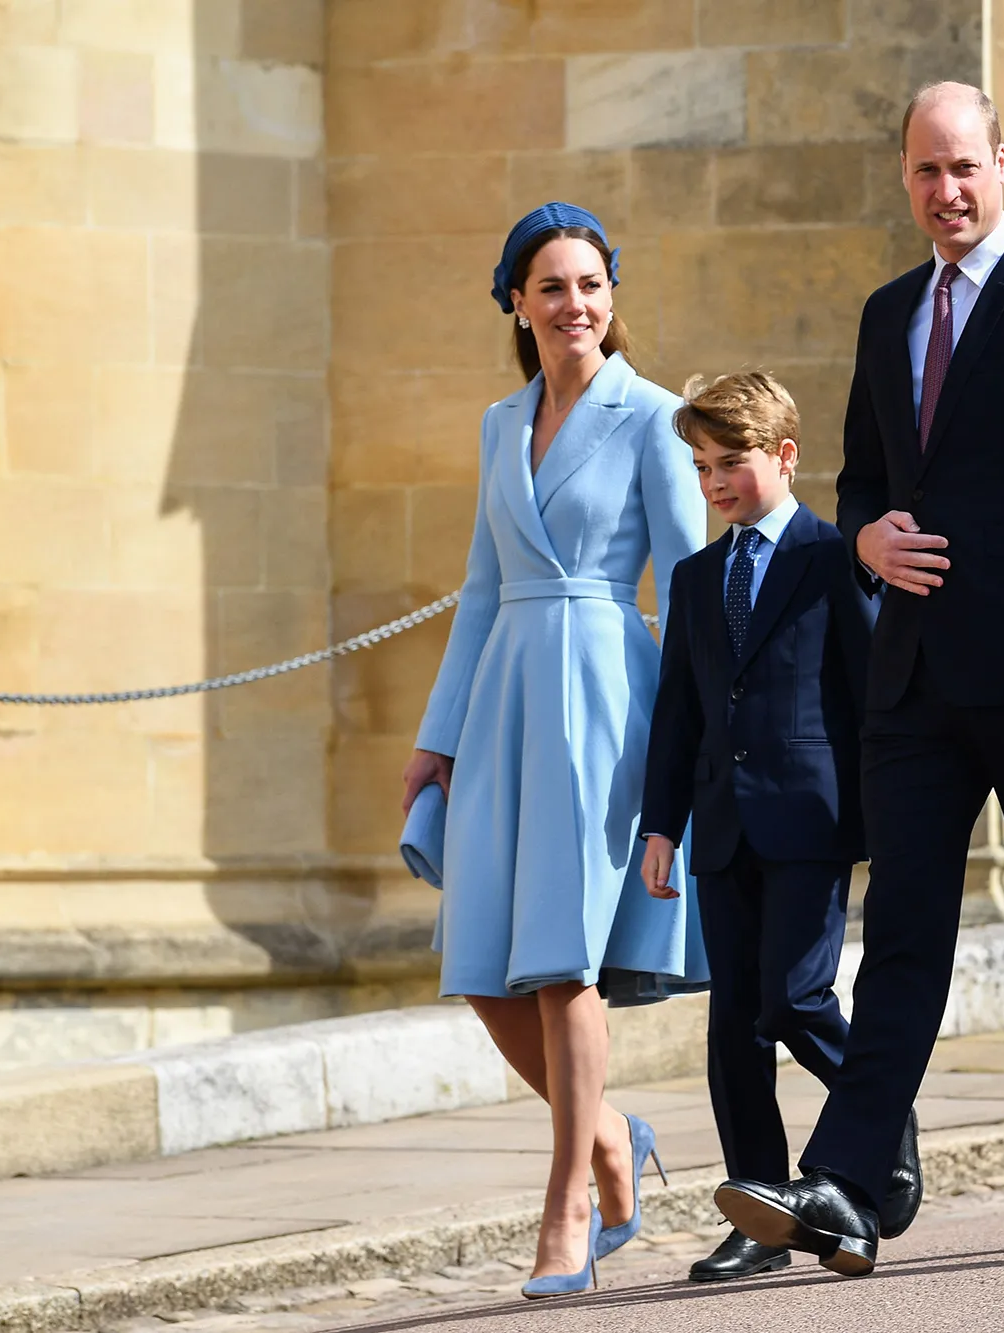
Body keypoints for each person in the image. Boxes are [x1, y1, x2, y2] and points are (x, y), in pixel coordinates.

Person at [712, 82, 1004, 1277]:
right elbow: (863, 483)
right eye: (925, 172)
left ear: (1001, 165)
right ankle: (851, 1186)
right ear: (905, 180)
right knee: (903, 937)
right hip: (911, 682)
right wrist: (862, 541)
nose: (946, 192)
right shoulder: (884, 314)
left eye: (963, 167)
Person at [399, 202, 708, 1299]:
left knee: (563, 960)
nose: (574, 304)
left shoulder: (654, 418)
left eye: (590, 284)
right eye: (551, 287)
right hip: (501, 704)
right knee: (483, 963)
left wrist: (685, 743)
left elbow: (685, 589)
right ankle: (614, 1139)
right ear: (516, 305)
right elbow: (480, 592)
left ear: (610, 299)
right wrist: (435, 743)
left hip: (603, 698)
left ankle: (565, 1206)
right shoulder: (498, 424)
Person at [637, 372, 913, 1283]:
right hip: (719, 825)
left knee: (794, 999)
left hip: (811, 817)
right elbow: (678, 712)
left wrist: (887, 818)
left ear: (786, 457)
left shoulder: (834, 558)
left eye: (734, 462)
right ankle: (759, 1208)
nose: (716, 481)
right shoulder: (693, 575)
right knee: (732, 1028)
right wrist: (660, 824)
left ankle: (880, 1116)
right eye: (703, 466)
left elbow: (871, 690)